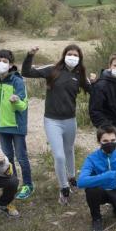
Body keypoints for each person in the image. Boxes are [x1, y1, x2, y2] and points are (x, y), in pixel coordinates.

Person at [22, 44, 91, 205]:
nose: (72, 57)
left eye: (76, 55)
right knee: (59, 156)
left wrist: (98, 79)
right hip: (52, 121)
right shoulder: (52, 69)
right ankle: (64, 187)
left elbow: (93, 90)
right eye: (70, 54)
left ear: (79, 58)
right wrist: (29, 56)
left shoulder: (80, 74)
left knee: (69, 150)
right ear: (64, 55)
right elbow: (26, 72)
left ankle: (72, 176)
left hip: (70, 120)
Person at [0, 49, 32, 200]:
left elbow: (23, 105)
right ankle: (13, 183)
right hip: (1, 126)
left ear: (11, 65)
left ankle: (28, 185)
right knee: (8, 157)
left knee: (21, 157)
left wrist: (16, 101)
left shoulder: (17, 81)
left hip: (17, 126)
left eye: (5, 61)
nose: (1, 64)